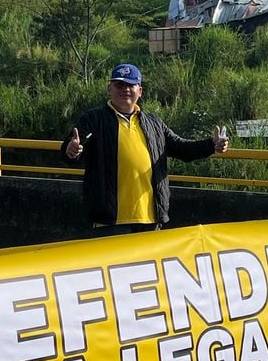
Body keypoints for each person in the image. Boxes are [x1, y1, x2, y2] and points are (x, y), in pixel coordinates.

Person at [61, 62, 229, 233]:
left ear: (140, 91)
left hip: (150, 219)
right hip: (109, 221)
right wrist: (71, 150)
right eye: (119, 85)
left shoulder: (153, 123)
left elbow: (182, 148)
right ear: (109, 88)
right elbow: (72, 148)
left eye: (130, 85)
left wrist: (212, 145)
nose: (125, 89)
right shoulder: (93, 119)